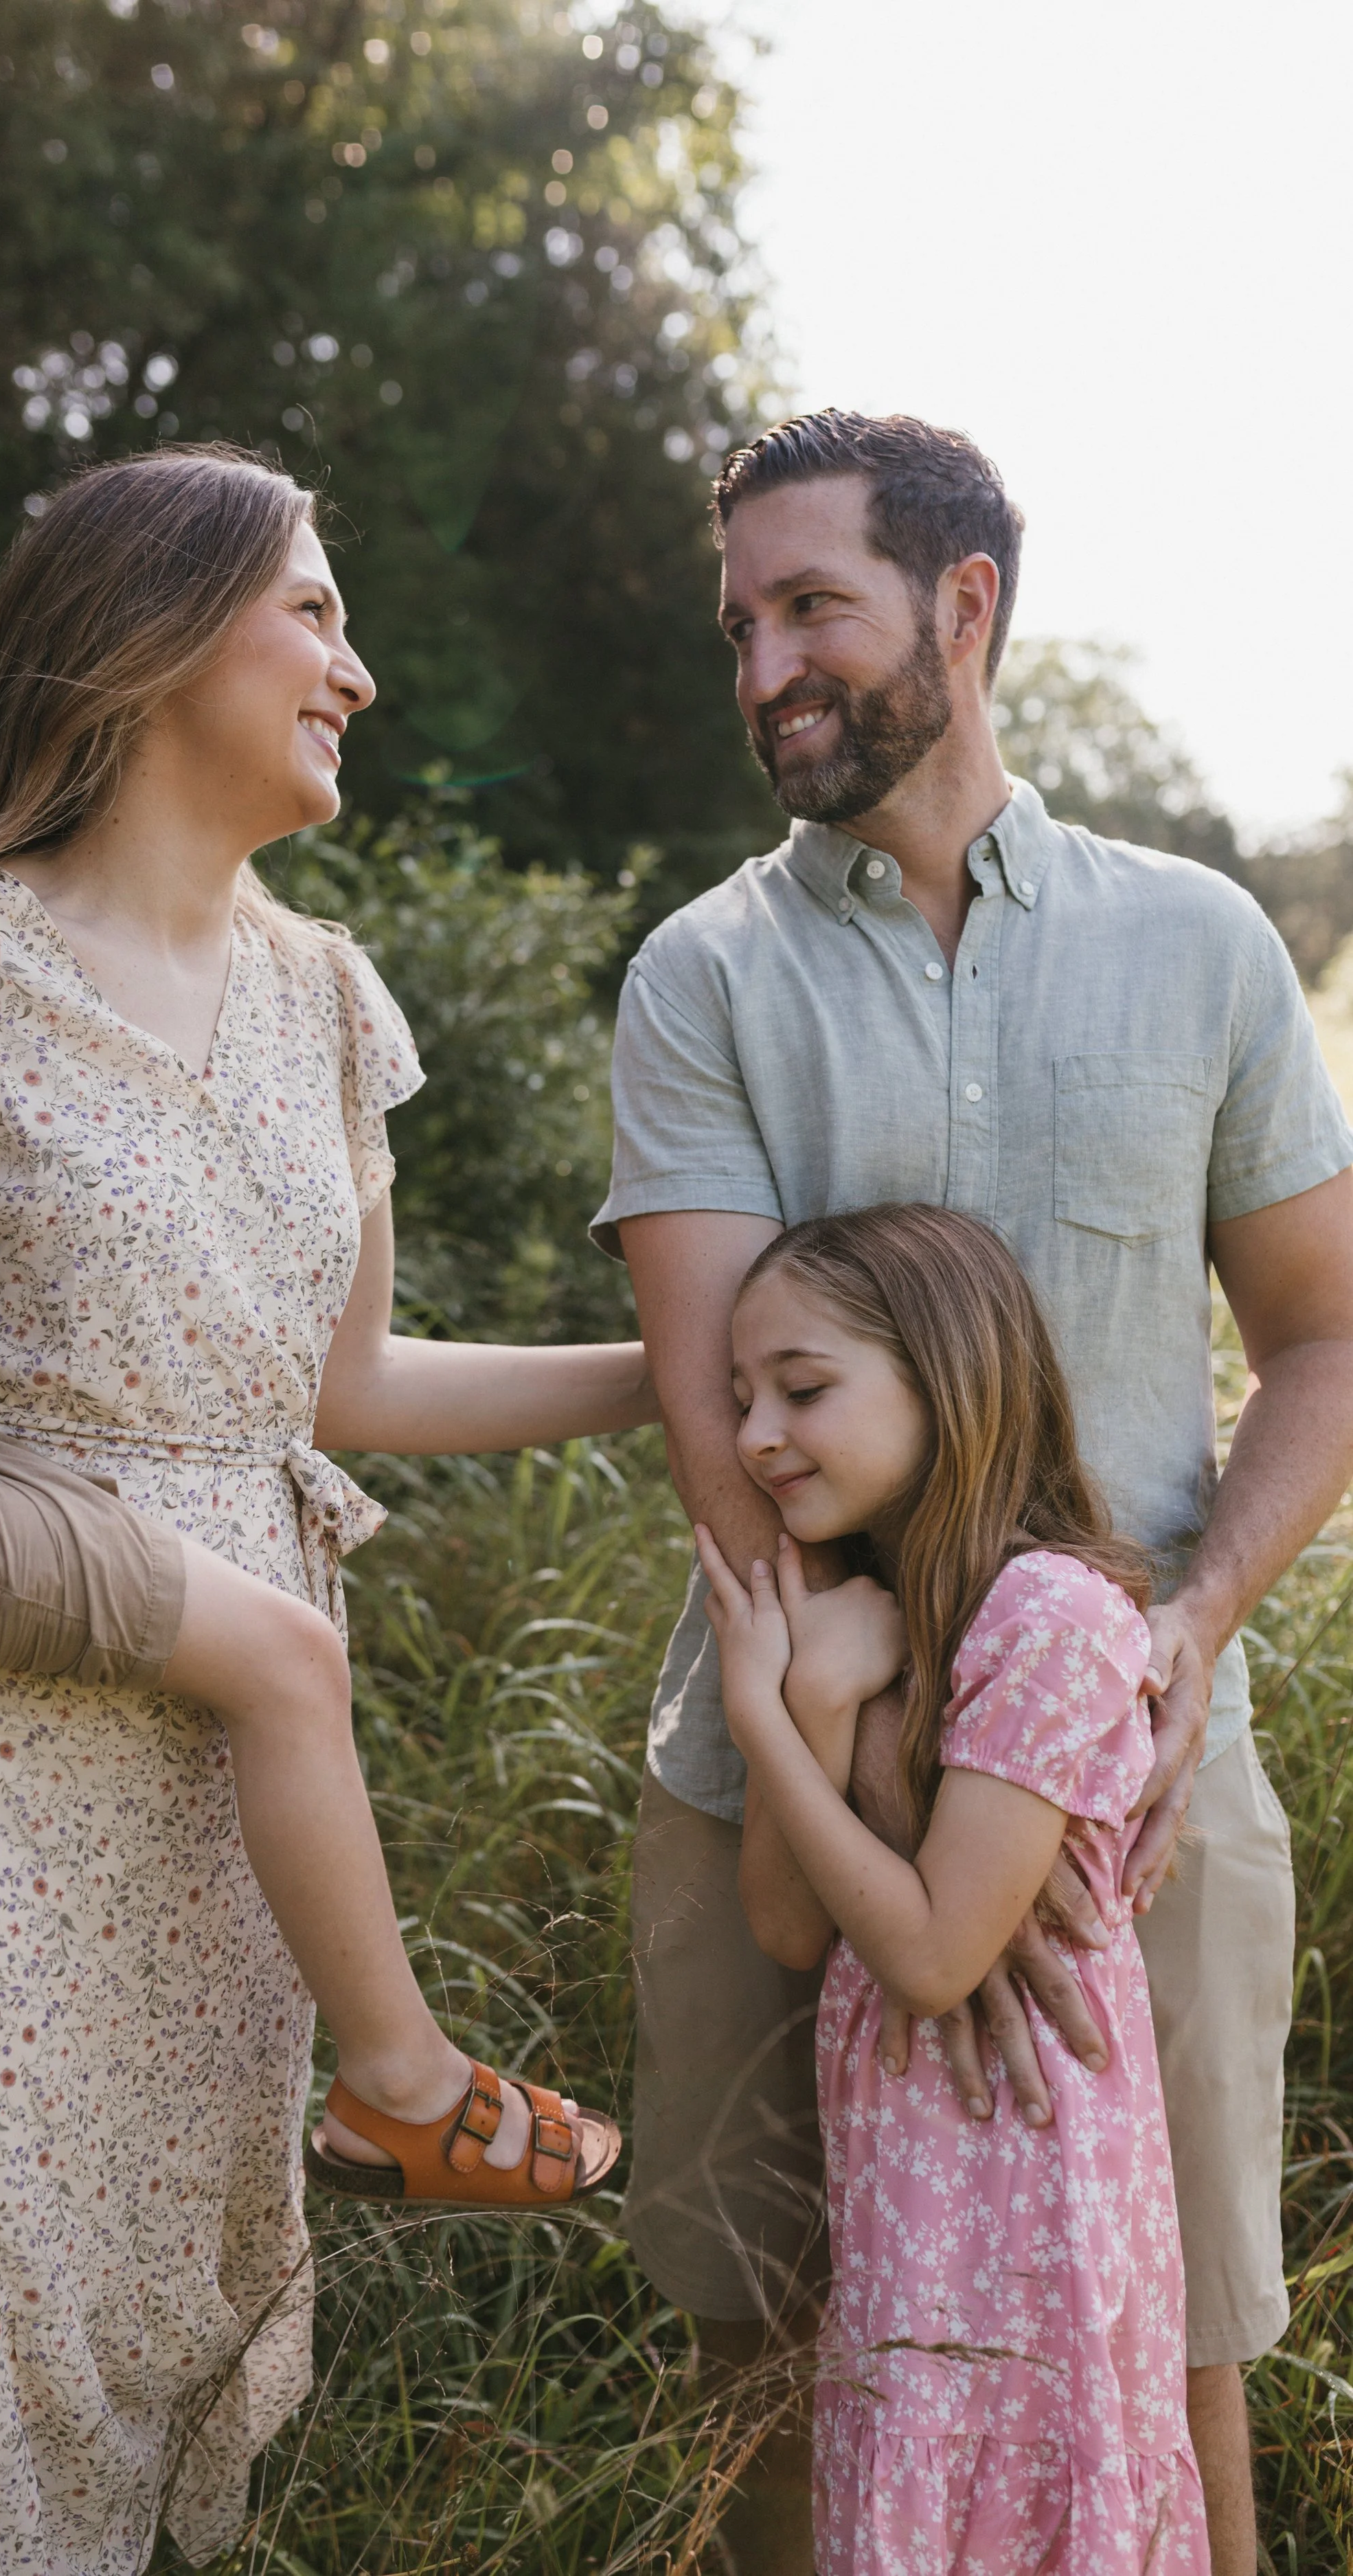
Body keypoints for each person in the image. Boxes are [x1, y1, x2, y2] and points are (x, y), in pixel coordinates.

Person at [0, 445, 650, 2574]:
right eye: (314, 607)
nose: (356, 668)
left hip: (221, 1854)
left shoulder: (327, 994)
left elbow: (344, 1385)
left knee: (94, 2425)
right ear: (159, 631)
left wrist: (674, 1379)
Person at [592, 409, 1353, 2574]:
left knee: (1172, 2321)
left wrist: (1182, 1633)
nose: (762, 670)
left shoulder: (1198, 943)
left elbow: (1322, 1334)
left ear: (965, 604)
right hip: (791, 1764)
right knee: (774, 2345)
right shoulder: (702, 976)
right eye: (737, 624)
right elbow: (710, 1407)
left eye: (808, 606)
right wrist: (874, 1748)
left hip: (1133, 1774)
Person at [699, 1203, 1210, 2573]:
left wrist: (766, 1717)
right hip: (911, 2213)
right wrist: (811, 1693)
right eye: (740, 1396)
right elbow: (788, 1923)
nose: (754, 1435)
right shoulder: (866, 1623)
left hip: (1023, 2204)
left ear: (947, 1380)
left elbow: (928, 1959)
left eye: (801, 1389)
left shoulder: (1048, 1618)